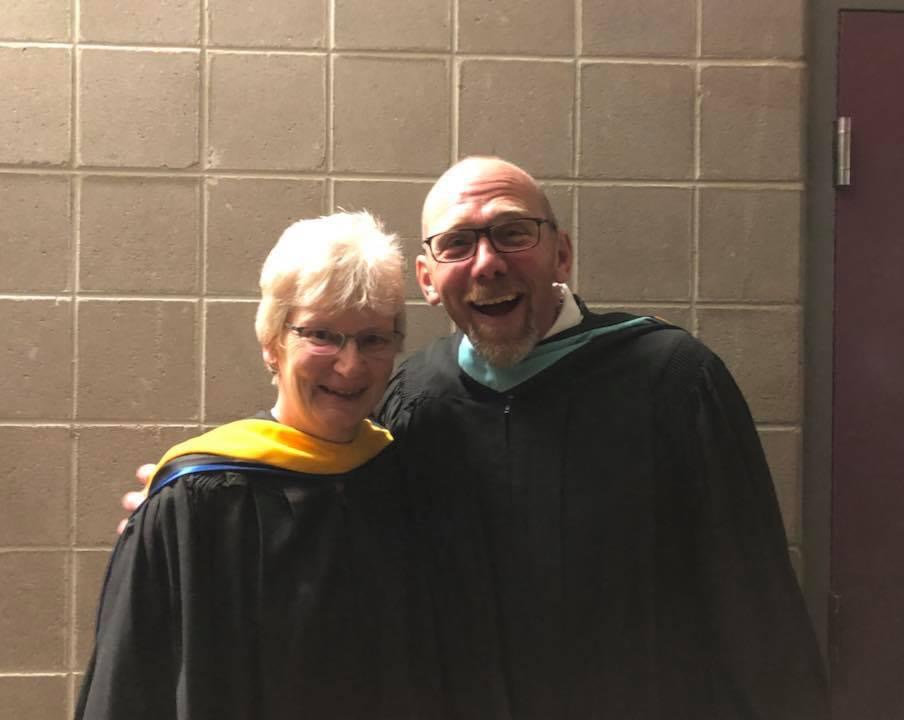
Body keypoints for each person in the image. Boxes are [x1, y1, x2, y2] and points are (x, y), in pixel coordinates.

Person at [124, 158, 829, 719]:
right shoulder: (416, 398)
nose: (487, 262)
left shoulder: (673, 381)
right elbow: (333, 515)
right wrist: (195, 510)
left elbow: (753, 601)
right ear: (429, 281)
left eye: (513, 232)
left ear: (562, 254)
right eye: (458, 243)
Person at [79, 212, 441, 720]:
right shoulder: (198, 498)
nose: (349, 365)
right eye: (321, 334)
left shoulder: (400, 479)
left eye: (373, 339)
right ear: (272, 343)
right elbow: (133, 687)